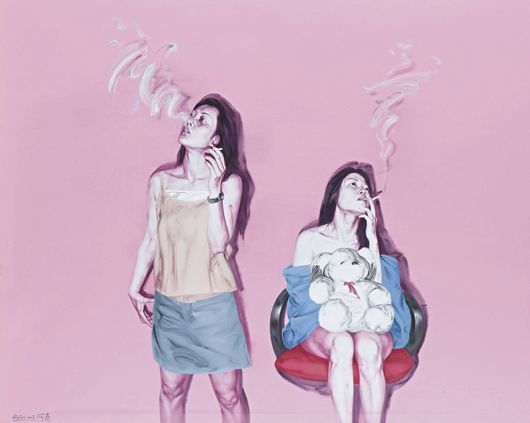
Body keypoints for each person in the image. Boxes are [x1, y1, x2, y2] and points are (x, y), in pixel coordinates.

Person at [128, 93, 253, 423]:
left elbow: (218, 244)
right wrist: (134, 288)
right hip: (169, 303)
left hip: (213, 305)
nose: (190, 122)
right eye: (192, 115)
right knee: (170, 390)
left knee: (229, 394)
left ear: (216, 140)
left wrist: (213, 189)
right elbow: (150, 239)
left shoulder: (230, 184)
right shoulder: (161, 181)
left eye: (202, 121)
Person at [282, 161, 411, 423]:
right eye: (353, 184)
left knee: (367, 347)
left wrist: (373, 241)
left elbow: (382, 295)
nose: (362, 190)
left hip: (367, 324)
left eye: (366, 188)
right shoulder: (310, 239)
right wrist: (336, 313)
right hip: (320, 324)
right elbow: (300, 295)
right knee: (342, 343)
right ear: (334, 194)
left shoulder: (371, 242)